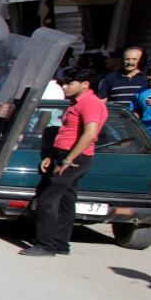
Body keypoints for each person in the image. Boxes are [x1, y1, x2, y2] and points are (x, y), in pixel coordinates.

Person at [23, 66, 107, 257]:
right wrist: (52, 156)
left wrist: (68, 160)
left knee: (48, 200)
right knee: (66, 200)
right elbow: (68, 133)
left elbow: (90, 134)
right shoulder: (76, 102)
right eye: (64, 83)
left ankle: (45, 245)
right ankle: (60, 243)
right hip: (64, 154)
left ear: (85, 84)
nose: (65, 87)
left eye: (70, 83)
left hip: (74, 157)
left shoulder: (90, 103)